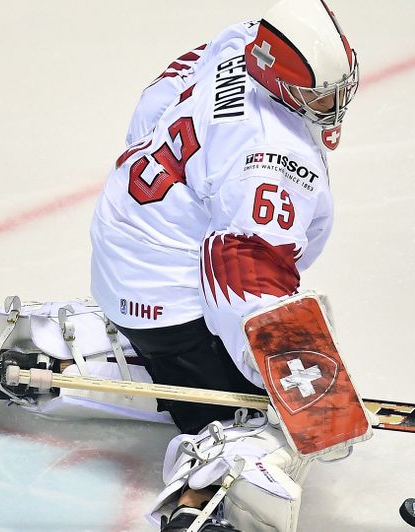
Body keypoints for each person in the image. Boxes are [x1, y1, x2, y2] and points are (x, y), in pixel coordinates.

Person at [88, 0, 360, 529]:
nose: (329, 105)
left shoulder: (239, 42)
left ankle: (124, 340)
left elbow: (155, 102)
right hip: (169, 303)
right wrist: (298, 389)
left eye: (336, 88)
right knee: (269, 424)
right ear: (278, 80)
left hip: (123, 242)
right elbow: (242, 276)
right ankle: (204, 496)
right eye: (315, 96)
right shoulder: (272, 159)